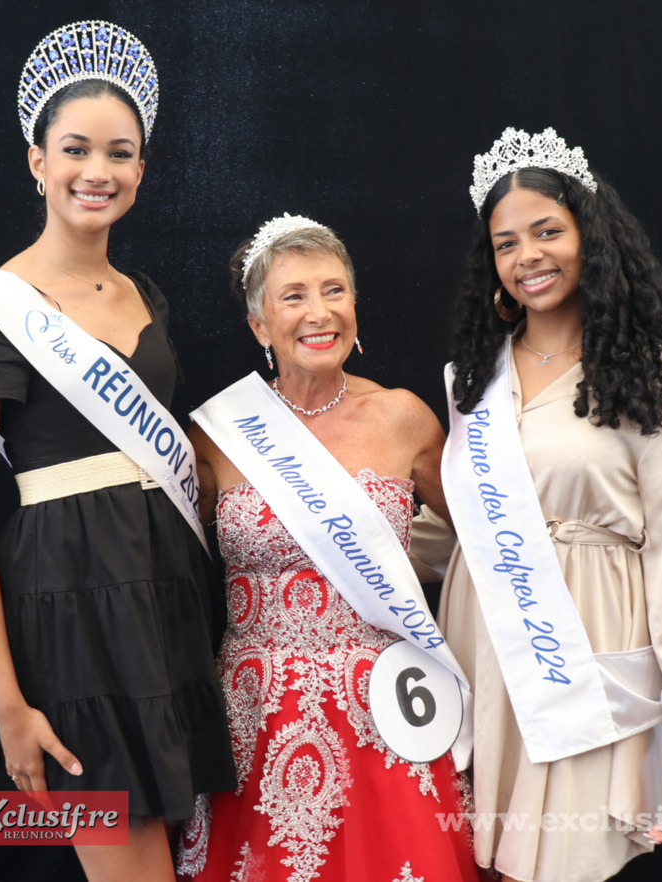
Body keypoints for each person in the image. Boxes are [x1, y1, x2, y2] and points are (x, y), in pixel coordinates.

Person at [0, 21, 235, 881]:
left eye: (119, 152)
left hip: (165, 601)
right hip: (65, 613)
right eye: (75, 150)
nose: (96, 171)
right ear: (37, 161)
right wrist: (7, 703)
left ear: (142, 170)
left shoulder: (147, 297)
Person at [409, 127, 662, 882]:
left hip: (586, 649)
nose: (527, 256)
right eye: (505, 243)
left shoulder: (648, 378)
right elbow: (450, 529)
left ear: (589, 236)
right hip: (482, 641)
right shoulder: (473, 378)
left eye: (547, 232)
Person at [176, 215, 479, 881]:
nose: (320, 312)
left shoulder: (404, 418)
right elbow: (170, 567)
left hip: (386, 709)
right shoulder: (217, 434)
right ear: (259, 325)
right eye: (294, 296)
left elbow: (482, 541)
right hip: (254, 711)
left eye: (334, 290)